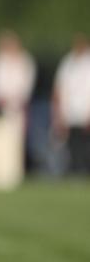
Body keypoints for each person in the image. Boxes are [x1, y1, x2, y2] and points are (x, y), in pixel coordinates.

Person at [52, 33, 90, 174]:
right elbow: (59, 89)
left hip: (85, 111)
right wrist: (59, 114)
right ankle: (75, 171)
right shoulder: (67, 62)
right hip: (70, 112)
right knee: (72, 145)